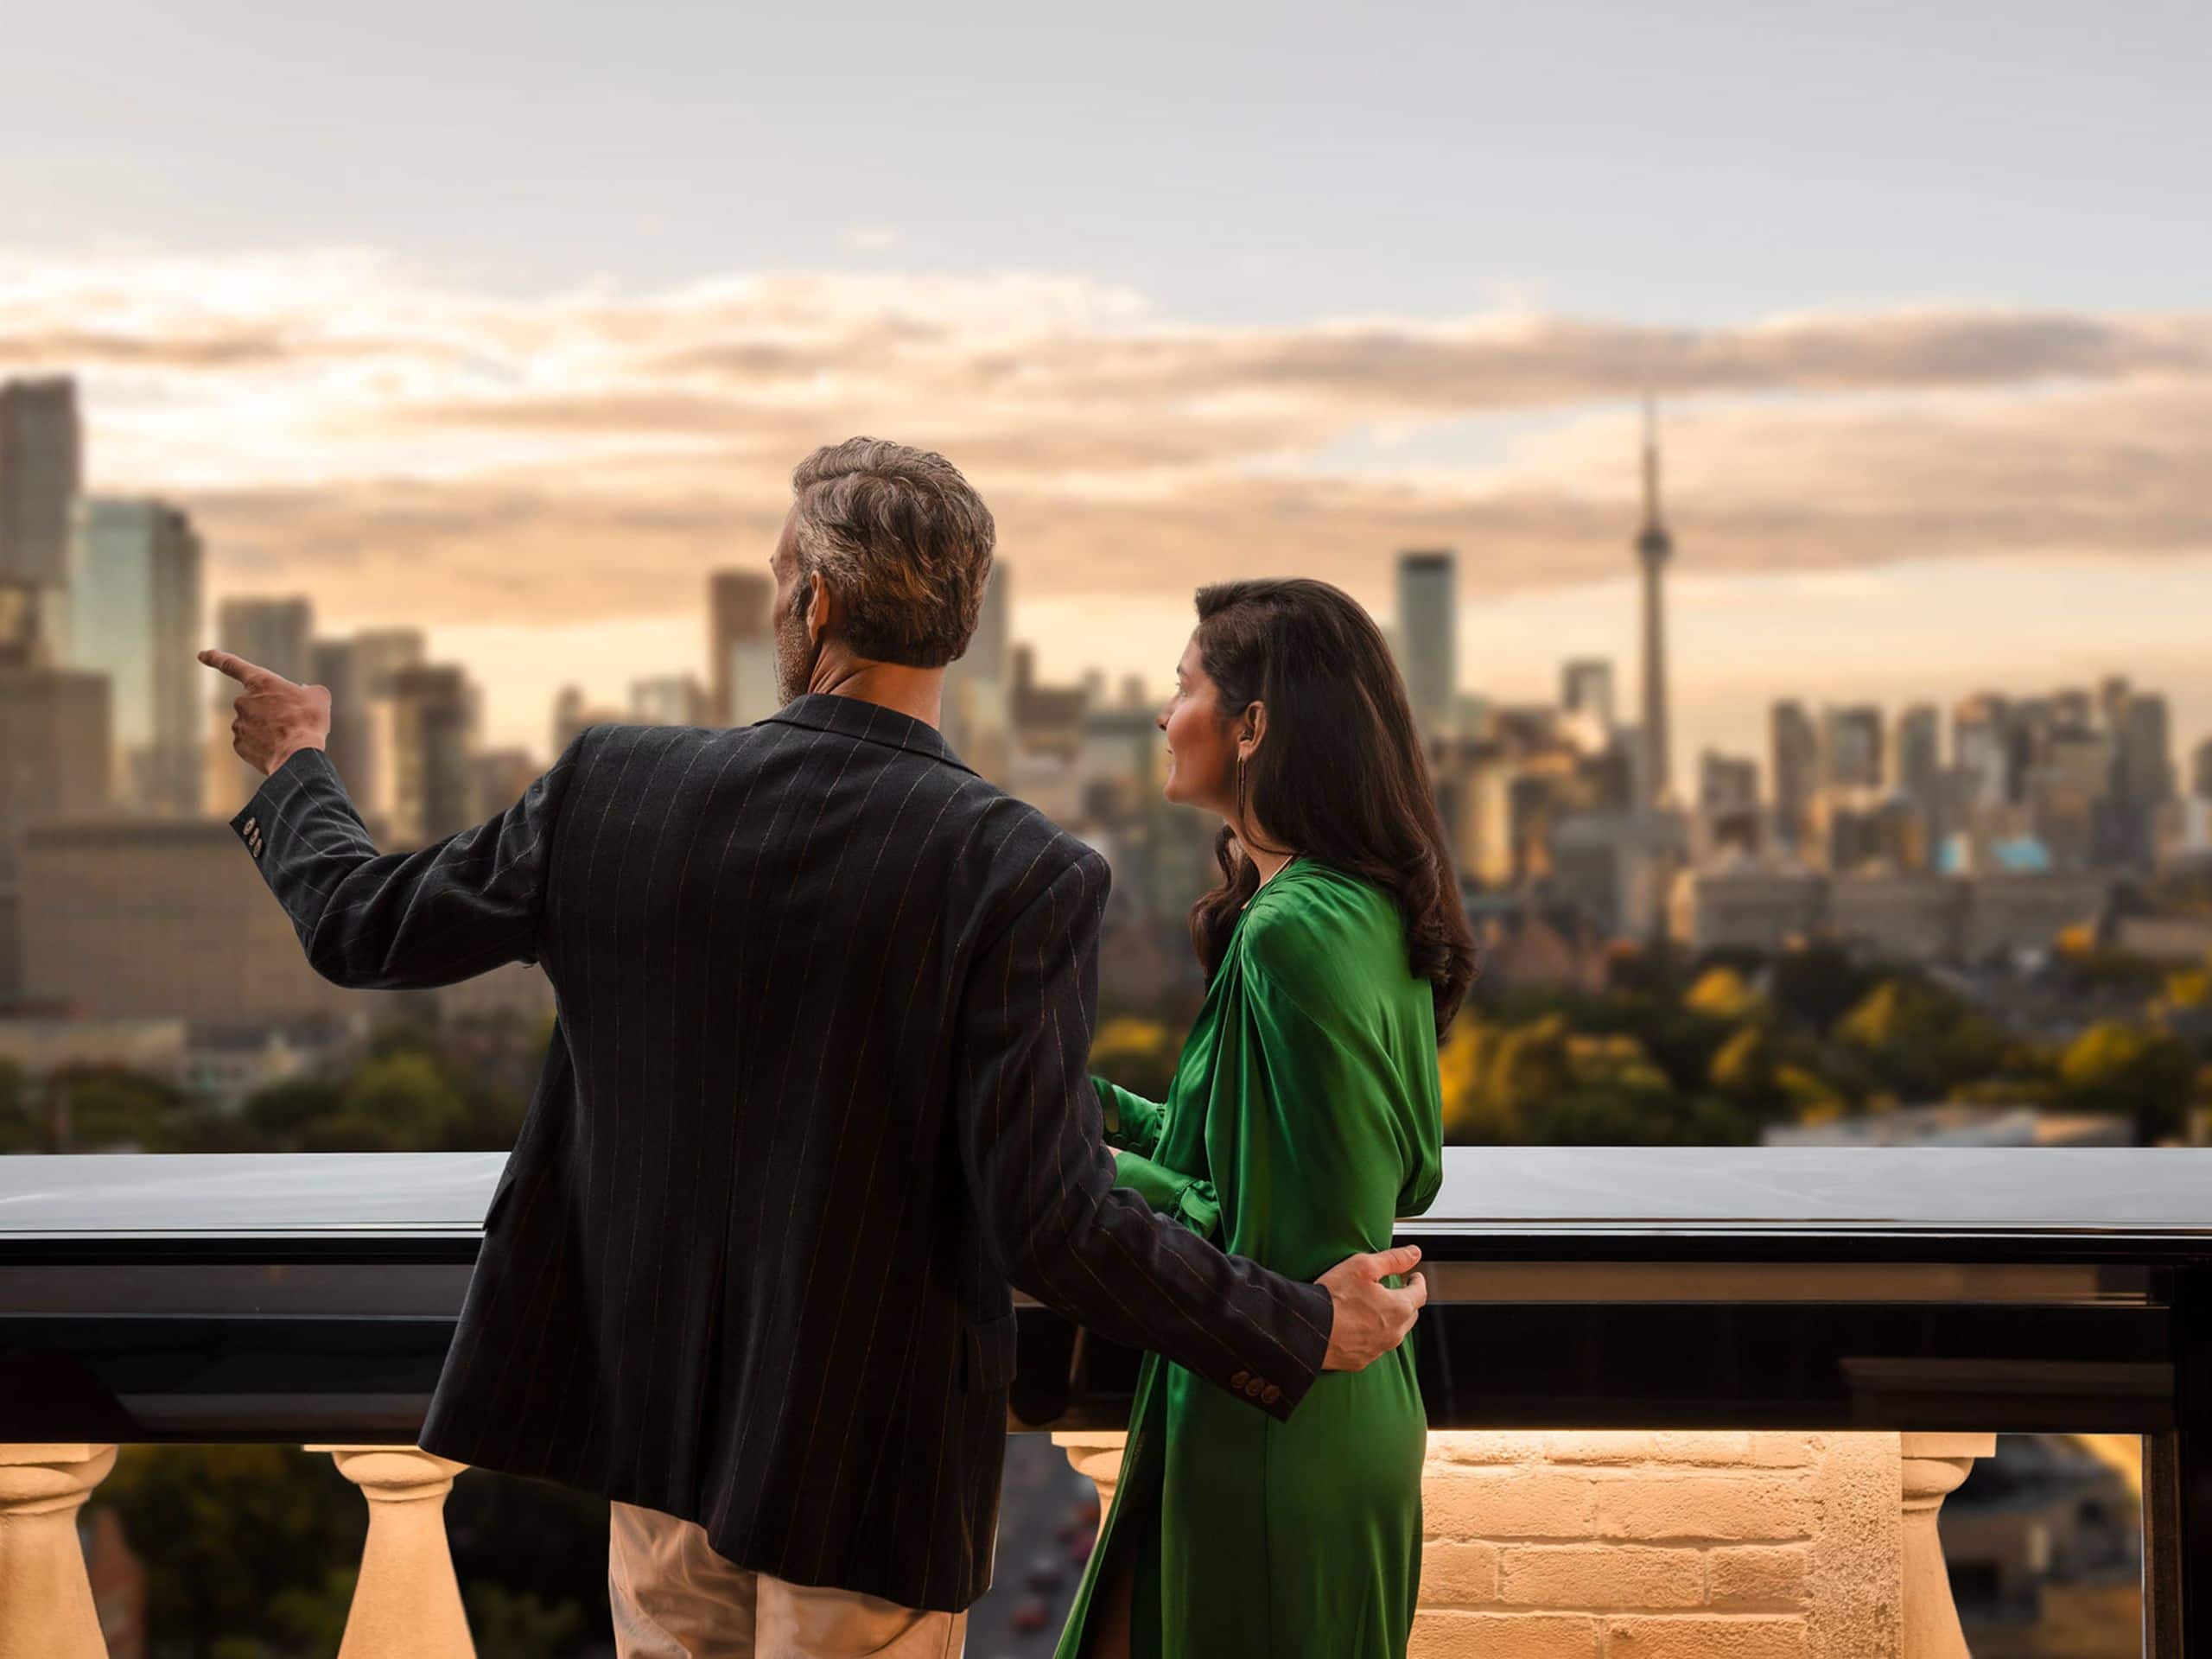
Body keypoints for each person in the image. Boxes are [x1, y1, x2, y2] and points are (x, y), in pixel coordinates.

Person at [203, 439, 1430, 1659]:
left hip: (659, 1452)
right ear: (957, 621)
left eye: (780, 571)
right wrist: (1295, 1330)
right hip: (871, 1482)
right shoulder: (1021, 869)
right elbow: (1050, 1221)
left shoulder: (614, 789)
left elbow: (361, 926)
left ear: (817, 601)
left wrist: (300, 759)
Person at [1056, 579, 1476, 1659]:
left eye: (1183, 687)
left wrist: (1063, 1158)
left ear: (1252, 727)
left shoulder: (1293, 933)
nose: (1164, 715)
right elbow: (1228, 1151)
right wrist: (1068, 1101)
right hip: (1320, 1417)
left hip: (1278, 1424)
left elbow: (1279, 1240)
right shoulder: (1361, 907)